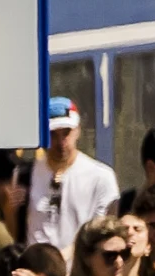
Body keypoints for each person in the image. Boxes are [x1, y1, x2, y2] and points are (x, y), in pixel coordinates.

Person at [27, 96, 121, 254]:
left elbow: (102, 231)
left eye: (66, 133)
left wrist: (66, 257)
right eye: (53, 134)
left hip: (80, 270)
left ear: (77, 130)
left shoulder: (100, 176)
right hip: (36, 270)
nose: (61, 142)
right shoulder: (26, 174)